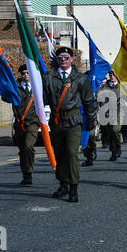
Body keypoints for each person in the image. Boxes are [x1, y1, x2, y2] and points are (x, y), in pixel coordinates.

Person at [42, 47, 97, 202]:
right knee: (60, 154)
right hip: (57, 121)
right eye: (60, 58)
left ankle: (73, 187)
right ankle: (63, 183)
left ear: (72, 59)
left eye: (66, 57)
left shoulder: (79, 78)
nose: (63, 61)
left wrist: (91, 119)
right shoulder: (48, 77)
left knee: (72, 153)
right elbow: (42, 98)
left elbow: (88, 100)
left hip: (73, 121)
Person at [12, 64, 39, 186]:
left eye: (28, 73)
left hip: (32, 121)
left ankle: (29, 172)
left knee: (28, 146)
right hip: (19, 123)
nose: (26, 75)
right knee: (22, 150)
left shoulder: (38, 85)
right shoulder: (15, 87)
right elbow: (6, 98)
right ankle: (26, 174)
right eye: (23, 73)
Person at [98, 70, 122, 161]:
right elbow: (98, 94)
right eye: (110, 75)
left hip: (118, 112)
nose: (112, 76)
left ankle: (118, 146)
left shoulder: (122, 86)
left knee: (115, 130)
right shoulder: (105, 87)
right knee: (110, 133)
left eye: (114, 75)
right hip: (107, 113)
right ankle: (113, 151)